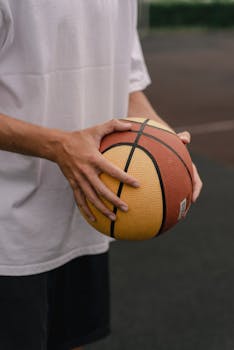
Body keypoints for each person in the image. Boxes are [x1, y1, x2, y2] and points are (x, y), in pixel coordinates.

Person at [0, 1, 202, 349]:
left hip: (89, 213)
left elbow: (129, 88)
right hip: (10, 230)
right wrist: (59, 145)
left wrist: (173, 152)